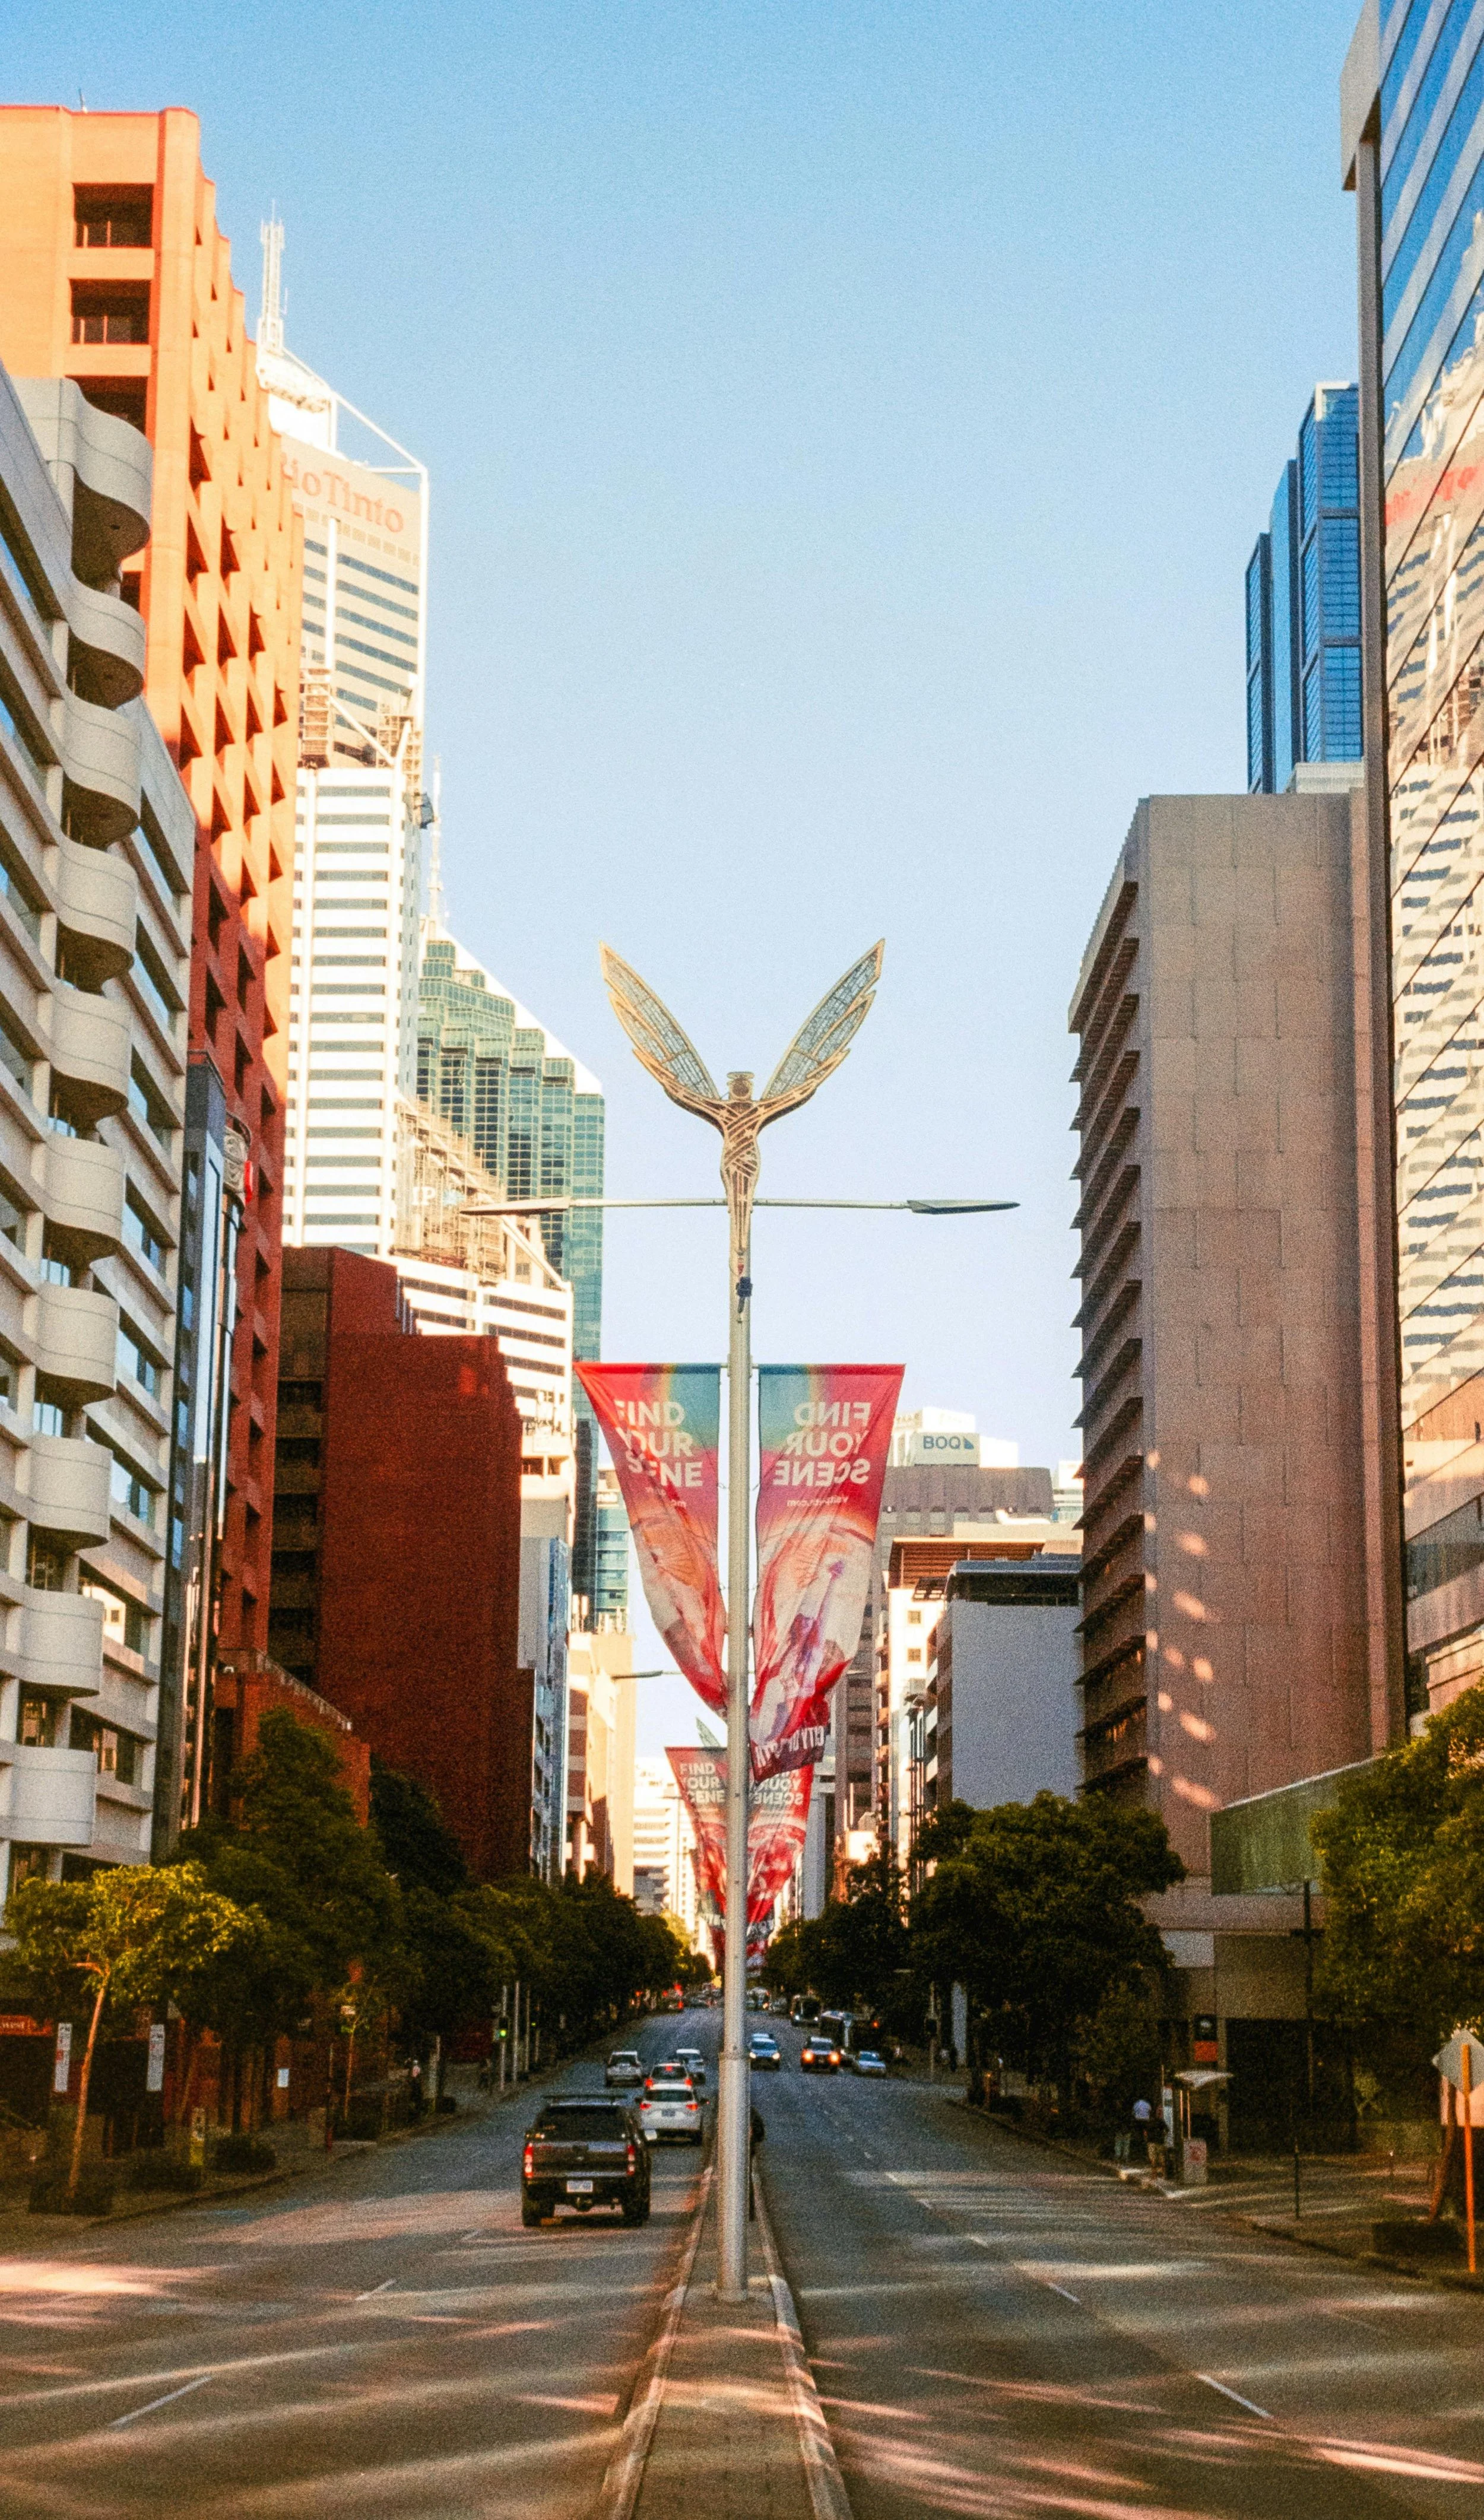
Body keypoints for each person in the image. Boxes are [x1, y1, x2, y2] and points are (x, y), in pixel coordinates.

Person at [749, 2103, 765, 2219]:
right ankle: (749, 2212)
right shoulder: (751, 2112)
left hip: (732, 2149)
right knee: (747, 2180)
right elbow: (760, 2132)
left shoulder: (728, 2107)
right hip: (748, 2150)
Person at [1131, 2094, 1152, 2160]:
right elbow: (1150, 2110)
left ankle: (1139, 2138)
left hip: (1138, 2120)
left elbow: (1133, 2112)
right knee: (1145, 2132)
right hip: (1146, 2120)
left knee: (1138, 2132)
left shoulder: (1137, 2103)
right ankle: (1145, 2137)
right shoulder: (1147, 2104)